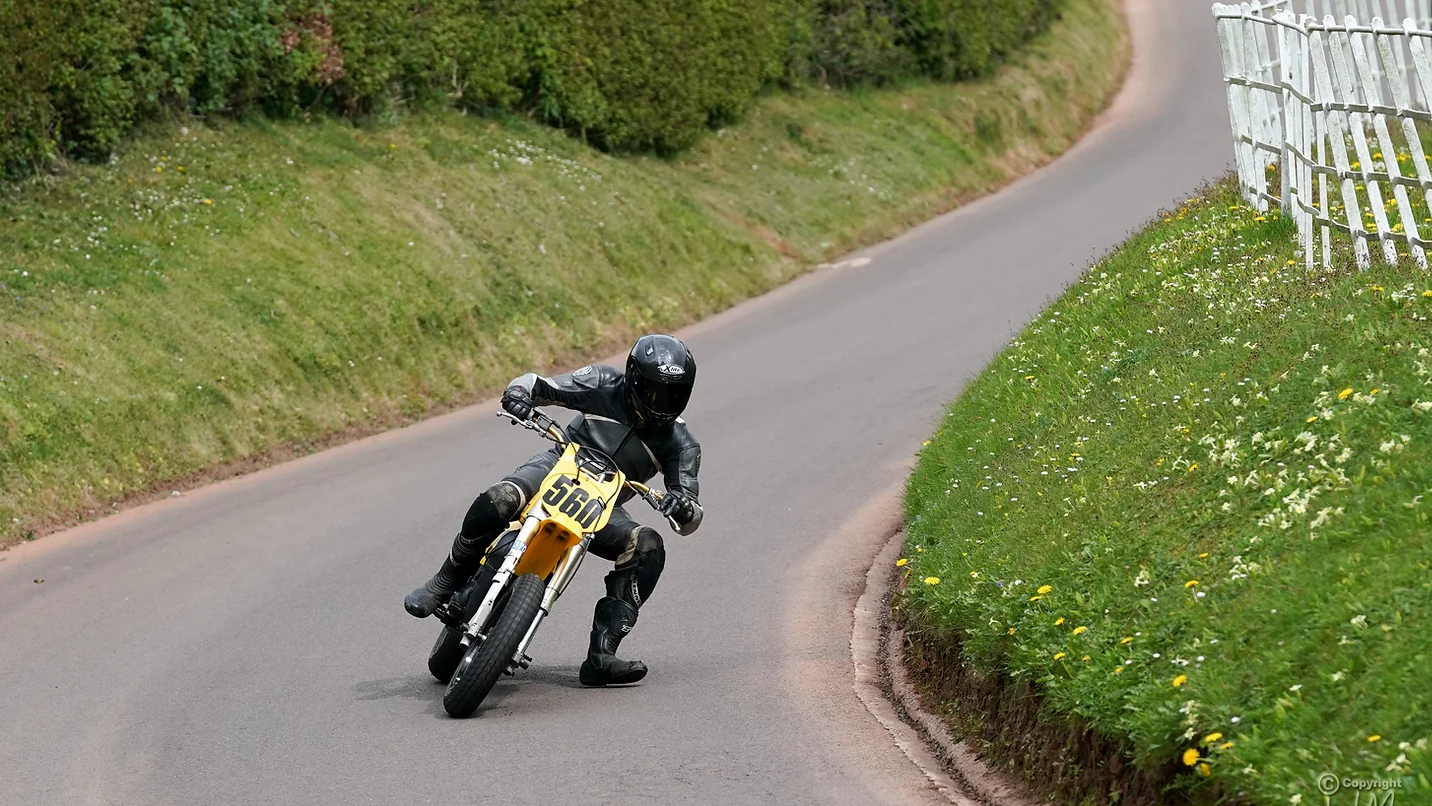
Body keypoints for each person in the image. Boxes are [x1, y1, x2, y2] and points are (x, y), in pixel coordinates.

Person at [404, 334, 704, 686]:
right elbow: (538, 384)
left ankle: (602, 655)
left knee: (648, 545)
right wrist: (519, 394)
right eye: (654, 392)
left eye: (674, 394)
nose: (663, 403)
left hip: (603, 506)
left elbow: (691, 512)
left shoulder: (682, 444)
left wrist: (682, 506)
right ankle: (444, 582)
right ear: (634, 378)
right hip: (556, 466)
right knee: (500, 498)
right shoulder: (603, 383)